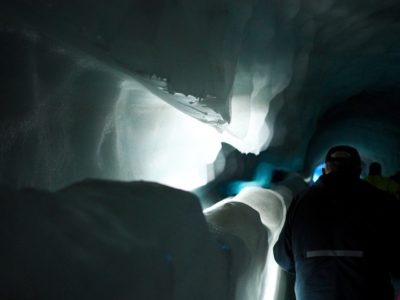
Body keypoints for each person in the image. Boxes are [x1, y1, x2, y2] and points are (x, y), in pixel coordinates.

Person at [273, 145, 400, 300]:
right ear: (358, 171)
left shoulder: (301, 201)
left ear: (325, 170)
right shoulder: (381, 200)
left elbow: (283, 258)